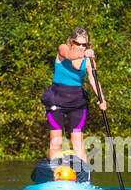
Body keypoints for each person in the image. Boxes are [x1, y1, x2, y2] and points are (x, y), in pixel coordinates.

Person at [41, 26, 107, 165]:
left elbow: (93, 80)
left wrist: (102, 99)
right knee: (56, 140)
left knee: (78, 142)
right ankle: (54, 173)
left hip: (77, 102)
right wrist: (85, 54)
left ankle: (83, 177)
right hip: (56, 99)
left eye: (84, 45)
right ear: (72, 42)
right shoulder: (63, 49)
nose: (81, 47)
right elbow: (71, 56)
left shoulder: (88, 60)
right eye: (78, 44)